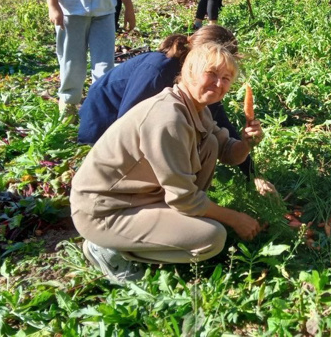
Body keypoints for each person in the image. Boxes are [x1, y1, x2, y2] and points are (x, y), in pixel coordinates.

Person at [71, 42, 263, 283]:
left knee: (211, 144)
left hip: (138, 198)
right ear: (189, 71)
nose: (218, 84)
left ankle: (163, 228)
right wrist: (235, 218)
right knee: (212, 238)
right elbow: (184, 198)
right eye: (211, 74)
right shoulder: (168, 118)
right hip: (104, 210)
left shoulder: (196, 108)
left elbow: (227, 151)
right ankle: (109, 250)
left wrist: (246, 143)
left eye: (226, 78)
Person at [77, 26, 277, 195]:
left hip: (132, 122)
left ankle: (180, 199)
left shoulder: (202, 83)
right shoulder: (158, 70)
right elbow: (126, 123)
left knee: (206, 140)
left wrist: (253, 173)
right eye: (214, 70)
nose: (219, 81)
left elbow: (220, 121)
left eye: (226, 75)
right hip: (103, 122)